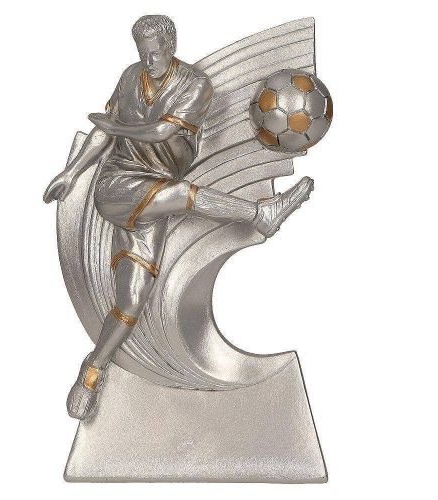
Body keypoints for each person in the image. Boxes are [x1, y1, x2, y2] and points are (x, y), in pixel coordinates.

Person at [44, 15, 313, 420]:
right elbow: (104, 134)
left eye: (155, 53)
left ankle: (92, 369)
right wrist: (72, 172)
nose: (148, 61)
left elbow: (161, 133)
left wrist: (117, 127)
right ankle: (260, 215)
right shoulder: (130, 77)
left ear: (171, 46)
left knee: (130, 305)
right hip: (117, 187)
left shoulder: (196, 85)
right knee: (182, 195)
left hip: (154, 199)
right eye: (142, 53)